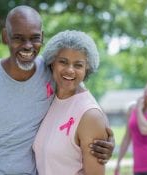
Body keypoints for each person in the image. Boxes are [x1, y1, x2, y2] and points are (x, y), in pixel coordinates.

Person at [0, 5, 114, 174]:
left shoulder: (51, 71)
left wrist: (105, 139)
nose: (28, 46)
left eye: (34, 38)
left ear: (42, 37)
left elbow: (82, 98)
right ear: (5, 37)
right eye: (18, 38)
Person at [32, 30, 109, 175]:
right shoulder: (48, 99)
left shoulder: (90, 115)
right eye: (63, 62)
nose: (70, 70)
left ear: (87, 69)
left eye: (78, 65)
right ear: (52, 63)